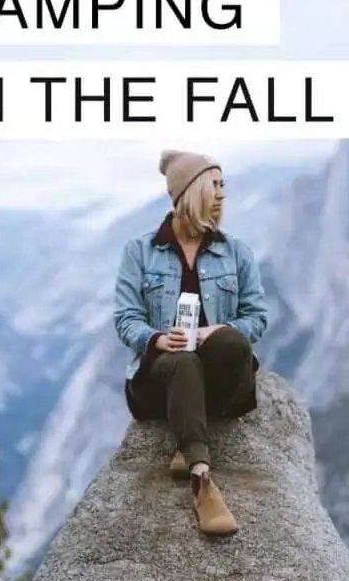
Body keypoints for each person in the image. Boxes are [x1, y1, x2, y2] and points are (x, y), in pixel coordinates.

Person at [114, 149, 268, 537]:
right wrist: (158, 339)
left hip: (219, 380)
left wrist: (211, 332)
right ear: (189, 192)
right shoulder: (140, 252)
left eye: (222, 186)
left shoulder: (236, 252)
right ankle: (201, 477)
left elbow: (257, 317)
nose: (220, 195)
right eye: (212, 185)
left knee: (232, 342)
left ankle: (189, 430)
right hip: (162, 376)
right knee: (184, 363)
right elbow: (126, 318)